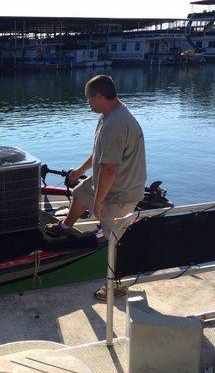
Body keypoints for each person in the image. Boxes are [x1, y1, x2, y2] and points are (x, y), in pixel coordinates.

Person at [45, 74, 147, 301]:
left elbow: (110, 169)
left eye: (88, 98)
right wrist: (80, 171)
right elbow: (99, 153)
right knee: (81, 193)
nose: (87, 103)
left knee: (113, 237)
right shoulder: (107, 115)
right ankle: (66, 227)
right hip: (109, 179)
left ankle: (117, 284)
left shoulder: (116, 124)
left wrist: (99, 202)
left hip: (122, 190)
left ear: (99, 96)